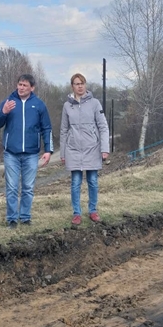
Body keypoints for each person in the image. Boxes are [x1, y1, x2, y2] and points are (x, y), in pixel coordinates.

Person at [0, 74, 53, 229]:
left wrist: (48, 150)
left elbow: (46, 128)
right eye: (19, 84)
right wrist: (3, 112)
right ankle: (12, 218)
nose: (21, 88)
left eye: (25, 85)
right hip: (11, 153)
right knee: (11, 187)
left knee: (28, 187)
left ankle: (25, 217)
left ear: (32, 87)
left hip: (31, 154)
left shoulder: (39, 105)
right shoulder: (8, 103)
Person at [60, 73, 110, 226]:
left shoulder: (95, 103)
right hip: (73, 149)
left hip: (92, 148)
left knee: (93, 181)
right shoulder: (67, 106)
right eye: (76, 83)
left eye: (82, 83)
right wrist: (62, 153)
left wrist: (104, 148)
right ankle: (77, 213)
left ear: (85, 85)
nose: (80, 86)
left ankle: (93, 211)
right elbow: (63, 129)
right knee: (75, 182)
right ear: (72, 86)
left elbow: (103, 127)